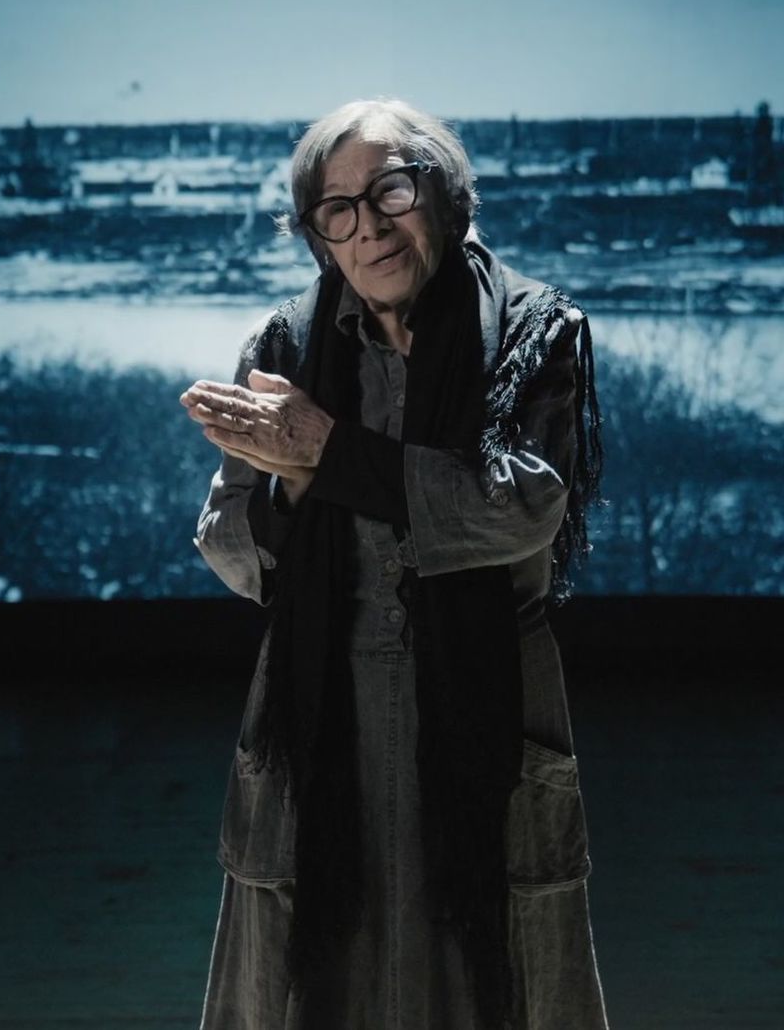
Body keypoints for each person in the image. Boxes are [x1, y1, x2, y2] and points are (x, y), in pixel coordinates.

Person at [181, 97, 608, 1030]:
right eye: (338, 210)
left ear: (445, 196)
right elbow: (229, 542)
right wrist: (296, 486)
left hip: (487, 694)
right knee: (307, 977)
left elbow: (521, 507)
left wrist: (327, 456)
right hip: (319, 691)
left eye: (391, 192)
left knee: (499, 969)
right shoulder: (284, 347)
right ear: (318, 236)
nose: (369, 226)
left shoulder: (534, 333)